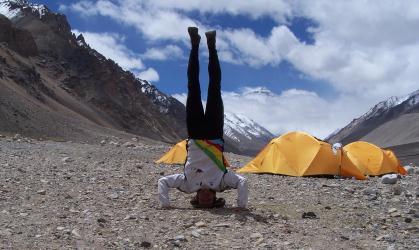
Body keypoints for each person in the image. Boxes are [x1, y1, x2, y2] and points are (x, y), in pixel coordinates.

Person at [158, 27, 248, 209]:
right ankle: (212, 46)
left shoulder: (187, 185)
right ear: (216, 199)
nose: (206, 199)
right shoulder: (223, 182)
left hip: (196, 134)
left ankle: (195, 44)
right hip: (215, 133)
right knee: (214, 87)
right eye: (210, 202)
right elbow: (243, 182)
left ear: (196, 199)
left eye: (202, 202)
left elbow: (163, 182)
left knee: (193, 86)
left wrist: (165, 205)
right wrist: (241, 207)